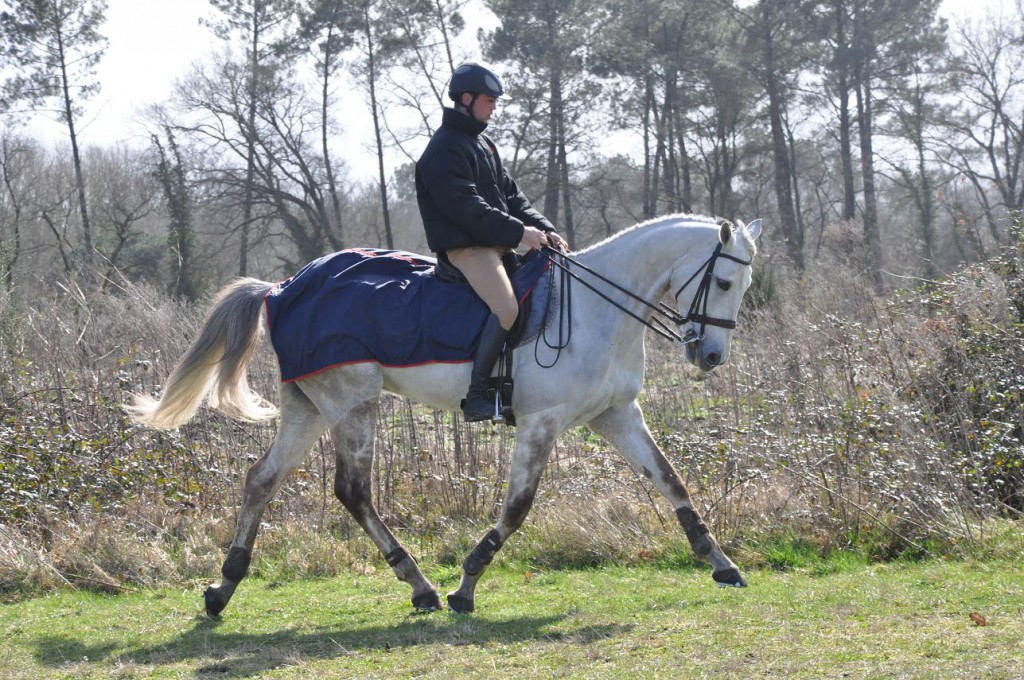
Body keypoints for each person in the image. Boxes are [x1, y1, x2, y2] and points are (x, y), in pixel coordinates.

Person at [416, 61, 568, 422]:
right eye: (489, 100)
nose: (494, 106)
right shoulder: (444, 150)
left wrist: (544, 228)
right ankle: (477, 395)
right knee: (507, 308)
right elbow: (469, 209)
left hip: (496, 243)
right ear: (466, 99)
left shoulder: (483, 144)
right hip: (467, 249)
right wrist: (520, 234)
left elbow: (513, 197)